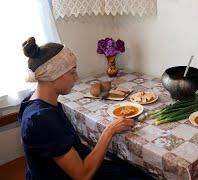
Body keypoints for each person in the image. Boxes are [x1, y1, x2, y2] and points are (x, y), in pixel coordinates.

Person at [18, 37, 153, 180]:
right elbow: (83, 175)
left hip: (70, 166)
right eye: (72, 72)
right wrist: (109, 131)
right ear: (53, 75)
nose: (76, 78)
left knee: (129, 167)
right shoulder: (41, 119)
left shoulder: (32, 100)